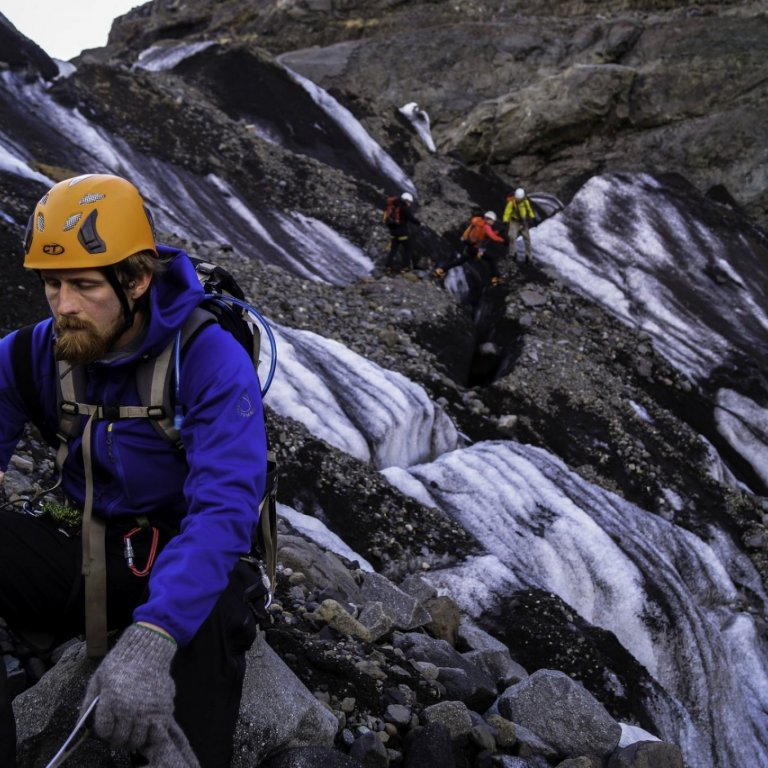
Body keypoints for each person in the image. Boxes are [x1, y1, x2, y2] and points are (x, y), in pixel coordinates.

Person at [0, 174, 269, 767]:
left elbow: (224, 509)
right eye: (51, 283)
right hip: (83, 546)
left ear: (138, 279)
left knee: (218, 607)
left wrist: (154, 638)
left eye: (84, 284)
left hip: (185, 557)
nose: (63, 305)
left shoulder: (207, 358)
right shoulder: (27, 355)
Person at [433, 211, 507, 285]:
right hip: (476, 249)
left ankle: (441, 270)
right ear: (488, 219)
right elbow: (492, 237)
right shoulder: (486, 226)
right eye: (492, 221)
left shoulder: (479, 223)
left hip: (470, 246)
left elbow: (487, 234)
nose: (493, 222)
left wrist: (496, 232)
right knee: (491, 259)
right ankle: (496, 278)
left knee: (459, 261)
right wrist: (503, 240)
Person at [383, 191, 420, 273]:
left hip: (393, 232)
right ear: (406, 200)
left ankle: (388, 266)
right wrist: (419, 223)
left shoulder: (393, 205)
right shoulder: (404, 208)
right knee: (408, 248)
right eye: (409, 202)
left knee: (393, 250)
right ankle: (405, 267)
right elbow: (411, 218)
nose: (410, 204)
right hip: (402, 233)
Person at [503, 187, 536, 262]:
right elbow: (507, 212)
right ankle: (512, 254)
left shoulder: (525, 202)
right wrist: (505, 220)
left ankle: (528, 256)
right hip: (514, 221)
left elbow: (529, 210)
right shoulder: (512, 203)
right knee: (512, 236)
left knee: (527, 239)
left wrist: (533, 217)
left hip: (523, 222)